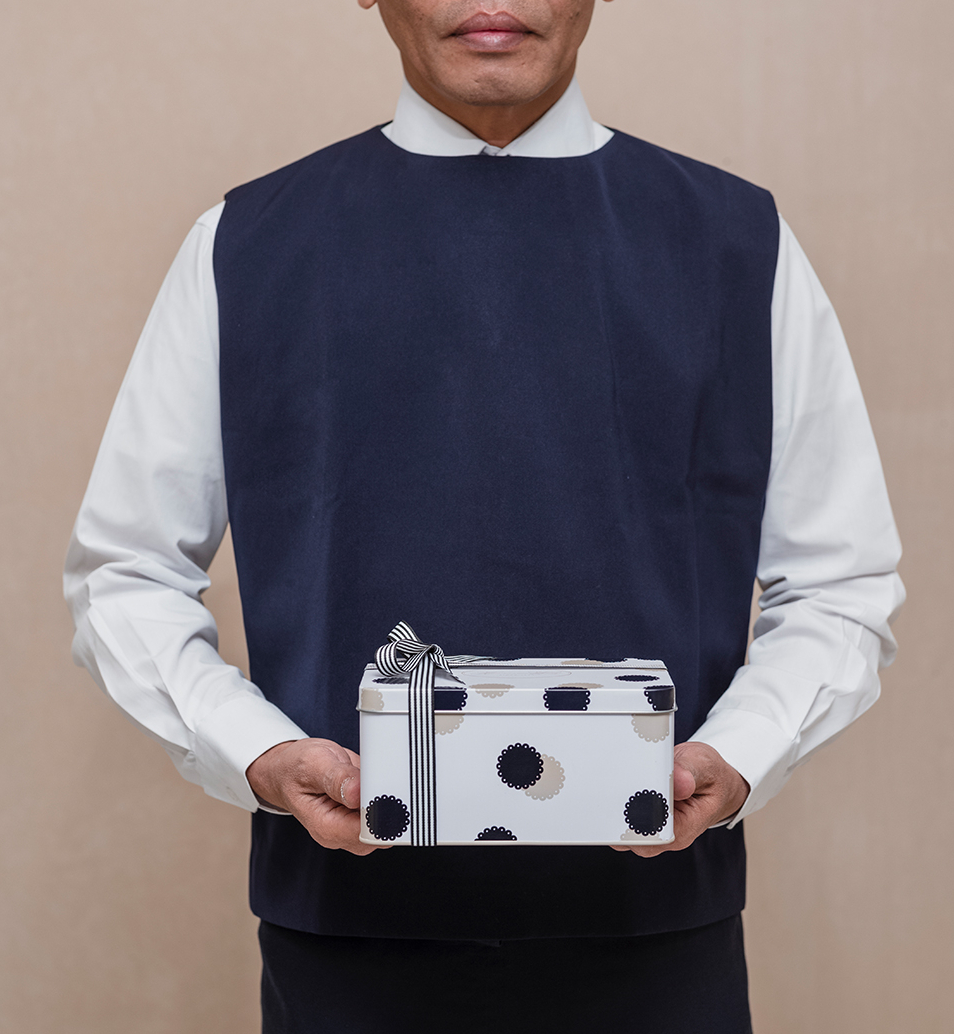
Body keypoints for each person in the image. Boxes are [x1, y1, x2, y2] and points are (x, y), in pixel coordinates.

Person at [64, 1, 904, 1031]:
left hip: (656, 936)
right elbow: (127, 571)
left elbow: (840, 579)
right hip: (345, 941)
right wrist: (258, 755)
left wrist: (733, 756)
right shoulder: (245, 243)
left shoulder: (738, 241)